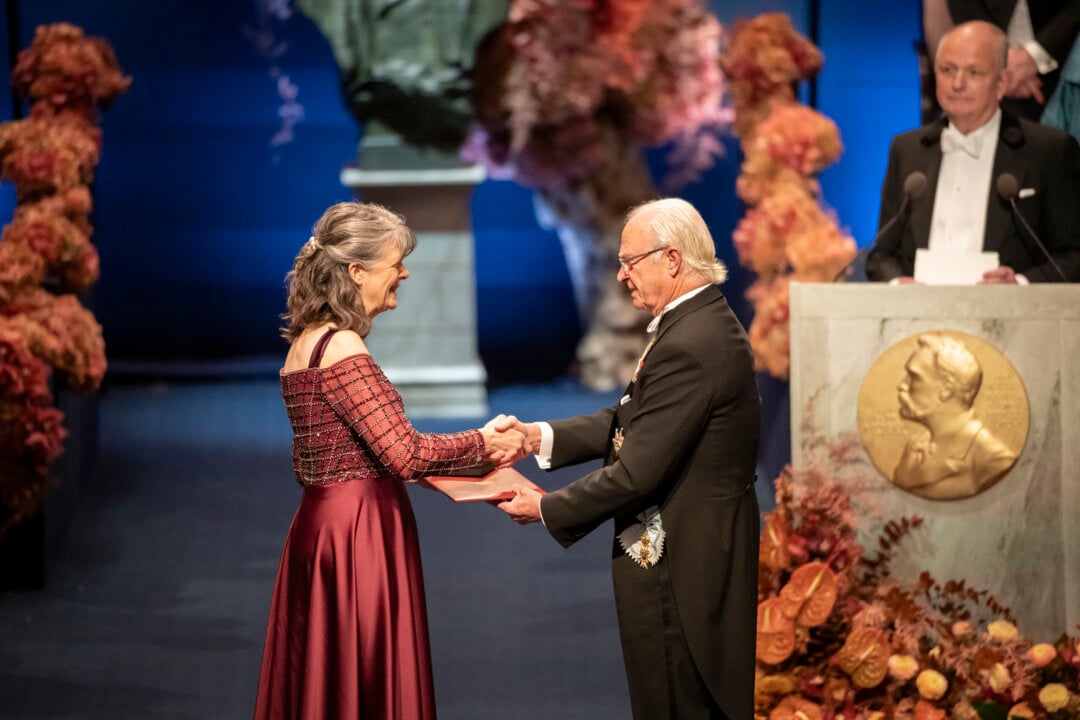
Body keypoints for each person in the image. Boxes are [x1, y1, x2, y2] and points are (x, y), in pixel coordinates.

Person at [254, 201, 527, 719]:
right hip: (359, 535)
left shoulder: (307, 346)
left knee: (327, 677)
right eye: (394, 262)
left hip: (324, 529)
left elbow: (377, 452)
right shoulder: (343, 346)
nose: (403, 272)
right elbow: (404, 453)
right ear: (356, 271)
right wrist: (485, 442)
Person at [495, 198, 761, 720]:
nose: (620, 276)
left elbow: (638, 470)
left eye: (629, 261)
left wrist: (547, 508)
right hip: (692, 555)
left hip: (684, 571)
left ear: (671, 259)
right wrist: (534, 437)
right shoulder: (696, 323)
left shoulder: (692, 342)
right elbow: (634, 420)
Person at [867, 20, 1080, 284]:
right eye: (947, 70)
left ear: (1001, 83)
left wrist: (1021, 284)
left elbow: (1073, 257)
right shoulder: (906, 149)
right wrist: (898, 283)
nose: (957, 83)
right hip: (918, 318)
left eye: (974, 72)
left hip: (1012, 319)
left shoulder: (1048, 150)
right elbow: (880, 255)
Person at [892, 334, 1018, 500]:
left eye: (914, 377)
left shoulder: (992, 460)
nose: (902, 385)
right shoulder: (915, 450)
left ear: (946, 390)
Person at [923, 0, 1080, 121]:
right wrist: (998, 59)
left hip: (1068, 59)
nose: (956, 83)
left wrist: (1036, 54)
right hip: (989, 59)